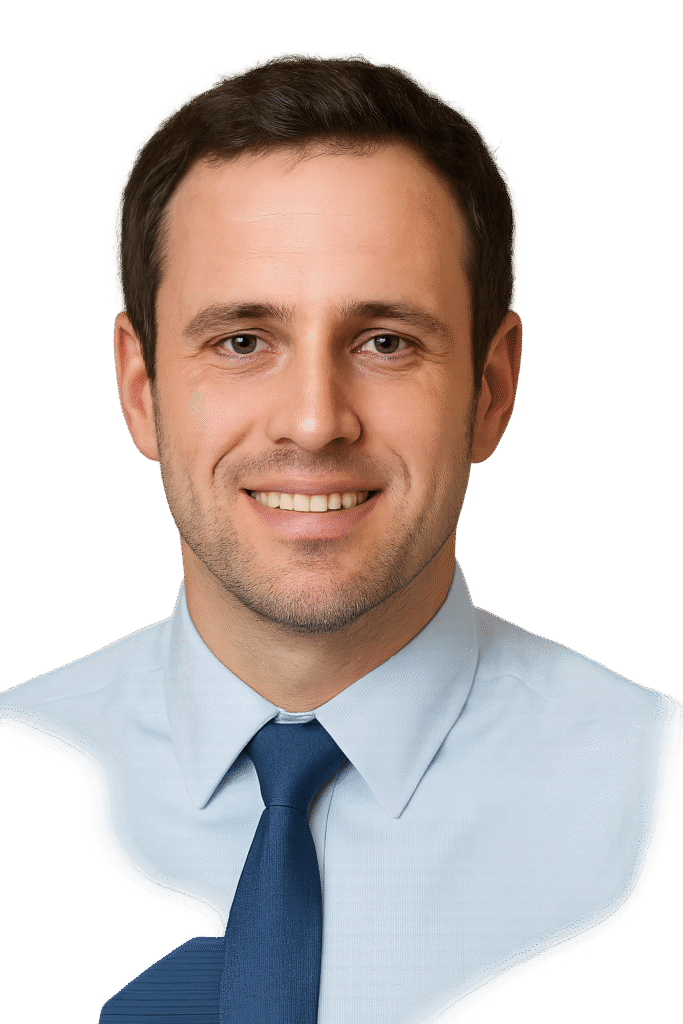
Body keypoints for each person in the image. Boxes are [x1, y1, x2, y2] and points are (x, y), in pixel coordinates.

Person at [0, 51, 680, 1024]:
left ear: (489, 391)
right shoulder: (18, 767)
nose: (314, 421)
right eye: (241, 340)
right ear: (141, 388)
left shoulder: (654, 797)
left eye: (385, 342)